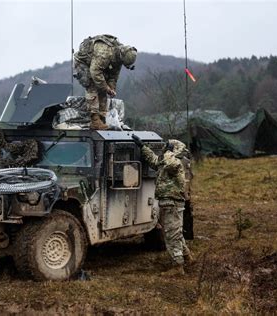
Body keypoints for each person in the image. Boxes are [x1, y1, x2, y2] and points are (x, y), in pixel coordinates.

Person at [132, 135, 193, 276]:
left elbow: (169, 163)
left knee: (172, 234)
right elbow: (155, 161)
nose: (165, 148)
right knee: (175, 231)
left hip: (173, 202)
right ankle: (186, 256)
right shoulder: (167, 161)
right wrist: (142, 147)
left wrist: (169, 151)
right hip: (168, 202)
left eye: (168, 146)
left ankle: (178, 266)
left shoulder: (177, 161)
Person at [74, 34, 137, 130]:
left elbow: (113, 76)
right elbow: (95, 72)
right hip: (83, 64)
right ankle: (95, 120)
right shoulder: (104, 52)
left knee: (103, 88)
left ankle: (102, 117)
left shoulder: (119, 58)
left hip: (97, 65)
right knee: (93, 85)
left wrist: (111, 88)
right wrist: (106, 87)